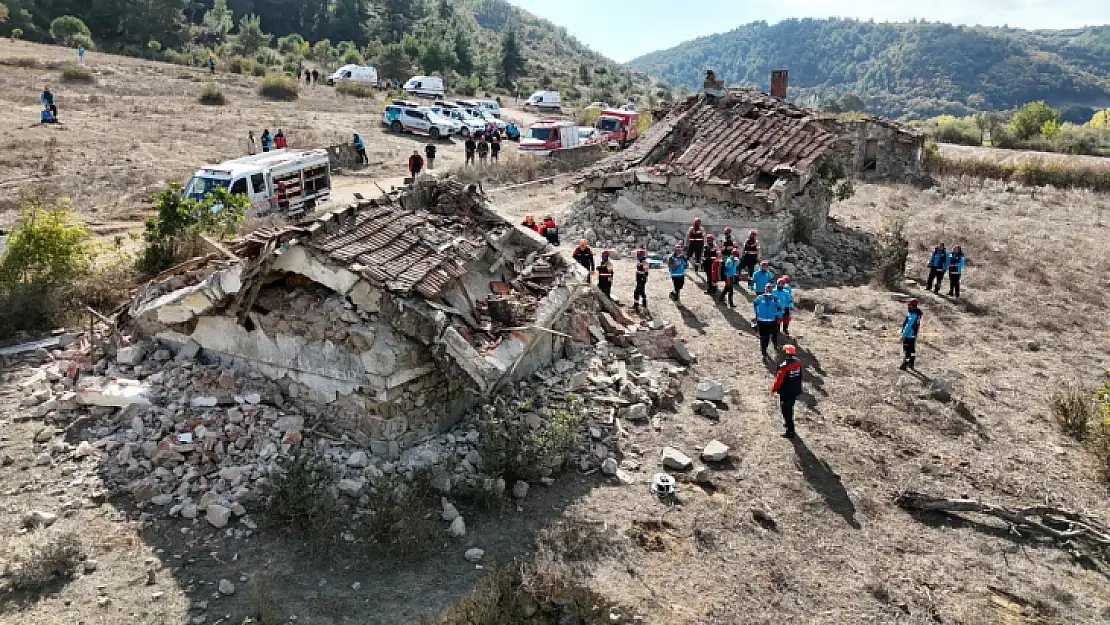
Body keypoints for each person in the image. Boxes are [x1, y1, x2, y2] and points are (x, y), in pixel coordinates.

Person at [771, 344, 802, 439]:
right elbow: (800, 377)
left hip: (786, 392)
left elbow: (779, 380)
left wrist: (774, 389)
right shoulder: (798, 363)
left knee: (785, 410)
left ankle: (790, 430)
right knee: (791, 407)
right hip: (795, 390)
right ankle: (788, 423)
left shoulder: (784, 367)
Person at [753, 282, 781, 359]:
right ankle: (763, 352)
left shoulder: (775, 298)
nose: (768, 289)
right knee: (763, 337)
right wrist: (758, 312)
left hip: (771, 321)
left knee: (768, 337)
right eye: (767, 287)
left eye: (770, 287)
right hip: (761, 321)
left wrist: (778, 316)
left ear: (772, 289)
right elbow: (755, 304)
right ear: (765, 289)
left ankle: (765, 348)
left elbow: (779, 308)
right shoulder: (760, 298)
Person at [900, 298, 922, 371]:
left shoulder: (913, 314)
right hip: (913, 335)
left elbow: (908, 326)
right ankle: (911, 363)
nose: (908, 306)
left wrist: (903, 335)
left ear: (912, 305)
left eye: (909, 304)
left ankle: (905, 364)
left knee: (907, 350)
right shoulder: (917, 313)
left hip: (909, 335)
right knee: (912, 350)